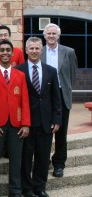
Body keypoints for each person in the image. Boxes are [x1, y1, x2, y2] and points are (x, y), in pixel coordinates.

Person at [15, 37, 62, 197]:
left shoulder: (51, 71)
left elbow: (56, 97)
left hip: (46, 122)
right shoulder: (18, 70)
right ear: (26, 50)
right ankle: (26, 189)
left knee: (43, 157)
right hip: (26, 123)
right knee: (26, 158)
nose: (34, 51)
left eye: (37, 48)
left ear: (42, 51)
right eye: (31, 48)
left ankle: (39, 187)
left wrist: (57, 119)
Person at [0, 40, 30, 197]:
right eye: (2, 50)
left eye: (8, 50)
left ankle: (15, 190)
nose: (5, 52)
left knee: (16, 160)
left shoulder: (20, 75)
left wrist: (26, 124)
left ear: (13, 54)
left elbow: (24, 100)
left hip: (16, 124)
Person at [40, 23, 78, 178]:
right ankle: (45, 160)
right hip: (44, 95)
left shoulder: (69, 52)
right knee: (44, 130)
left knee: (61, 132)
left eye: (53, 33)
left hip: (62, 95)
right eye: (48, 33)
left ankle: (59, 164)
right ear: (44, 36)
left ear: (58, 35)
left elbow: (73, 74)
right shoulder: (38, 51)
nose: (51, 36)